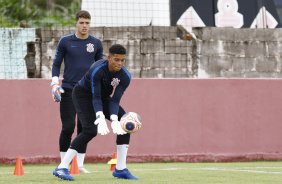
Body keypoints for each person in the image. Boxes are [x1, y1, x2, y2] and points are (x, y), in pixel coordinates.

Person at [53, 44, 139, 181]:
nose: (120, 63)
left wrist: (115, 120)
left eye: (123, 60)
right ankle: (61, 167)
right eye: (116, 60)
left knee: (125, 123)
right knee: (90, 130)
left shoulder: (125, 76)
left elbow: (114, 100)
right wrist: (100, 117)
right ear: (109, 58)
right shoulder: (97, 69)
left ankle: (120, 169)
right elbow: (95, 97)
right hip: (82, 95)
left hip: (103, 98)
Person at [51, 10, 103, 173]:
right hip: (67, 89)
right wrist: (54, 83)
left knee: (85, 128)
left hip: (87, 92)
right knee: (68, 127)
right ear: (76, 23)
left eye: (87, 23)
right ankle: (63, 164)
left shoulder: (96, 43)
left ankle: (79, 165)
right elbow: (56, 64)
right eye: (81, 22)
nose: (84, 26)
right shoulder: (65, 41)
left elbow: (100, 67)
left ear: (90, 24)